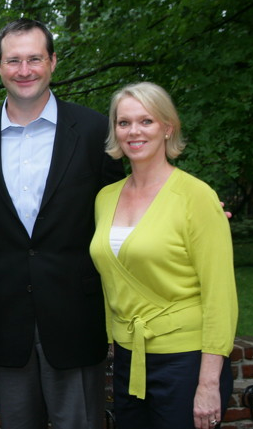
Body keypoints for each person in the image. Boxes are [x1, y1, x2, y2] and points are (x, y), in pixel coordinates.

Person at [0, 18, 125, 429]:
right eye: (13, 60)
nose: (24, 70)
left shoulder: (94, 132)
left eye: (34, 58)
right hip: (3, 320)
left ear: (52, 62)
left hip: (75, 316)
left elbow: (126, 203)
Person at [89, 82, 237, 429]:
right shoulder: (105, 198)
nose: (133, 131)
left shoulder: (196, 196)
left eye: (146, 121)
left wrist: (208, 384)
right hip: (129, 360)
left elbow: (220, 297)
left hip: (185, 362)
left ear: (168, 127)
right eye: (123, 123)